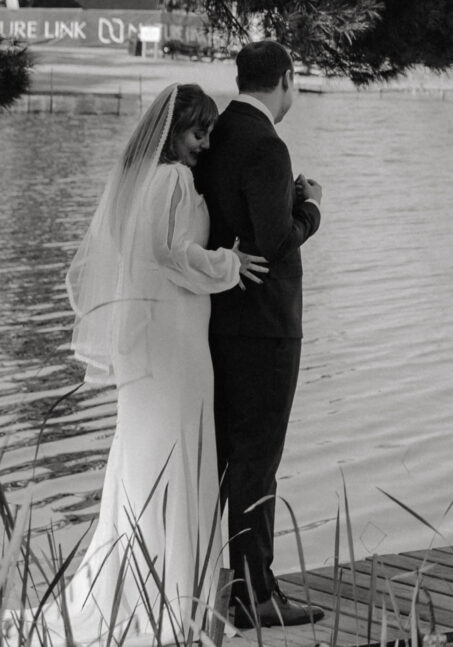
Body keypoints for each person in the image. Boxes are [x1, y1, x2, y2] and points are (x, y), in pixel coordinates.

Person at [62, 83, 269, 645]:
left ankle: (140, 582)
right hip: (174, 343)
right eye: (196, 132)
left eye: (206, 133)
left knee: (145, 456)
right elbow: (172, 254)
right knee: (177, 453)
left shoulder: (136, 183)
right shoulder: (174, 179)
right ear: (171, 132)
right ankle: (170, 595)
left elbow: (146, 253)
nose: (204, 143)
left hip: (146, 342)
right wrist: (231, 263)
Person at [193, 42, 327, 629]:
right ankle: (255, 596)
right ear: (287, 79)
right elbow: (273, 243)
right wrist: (312, 209)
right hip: (268, 328)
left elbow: (235, 221)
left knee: (229, 458)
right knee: (258, 460)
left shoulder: (216, 134)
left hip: (220, 321)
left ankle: (239, 581)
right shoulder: (268, 144)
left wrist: (283, 201)